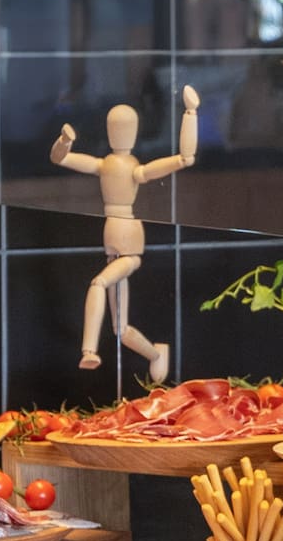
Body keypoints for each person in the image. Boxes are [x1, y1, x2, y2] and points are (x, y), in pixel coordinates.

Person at [49, 85, 200, 383]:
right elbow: (61, 159)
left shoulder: (133, 168)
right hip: (113, 245)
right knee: (121, 329)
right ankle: (157, 355)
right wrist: (64, 141)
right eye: (115, 128)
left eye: (124, 128)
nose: (119, 133)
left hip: (130, 245)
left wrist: (190, 113)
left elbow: (184, 159)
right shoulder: (104, 165)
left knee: (99, 282)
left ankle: (89, 350)